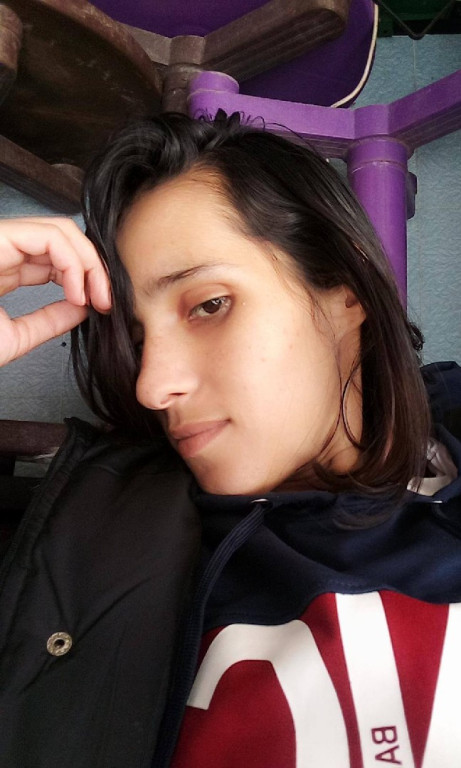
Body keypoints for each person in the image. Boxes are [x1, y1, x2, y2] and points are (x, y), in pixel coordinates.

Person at [1, 111, 461, 768]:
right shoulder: (81, 553)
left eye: (208, 305)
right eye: (138, 341)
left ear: (345, 287)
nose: (152, 386)